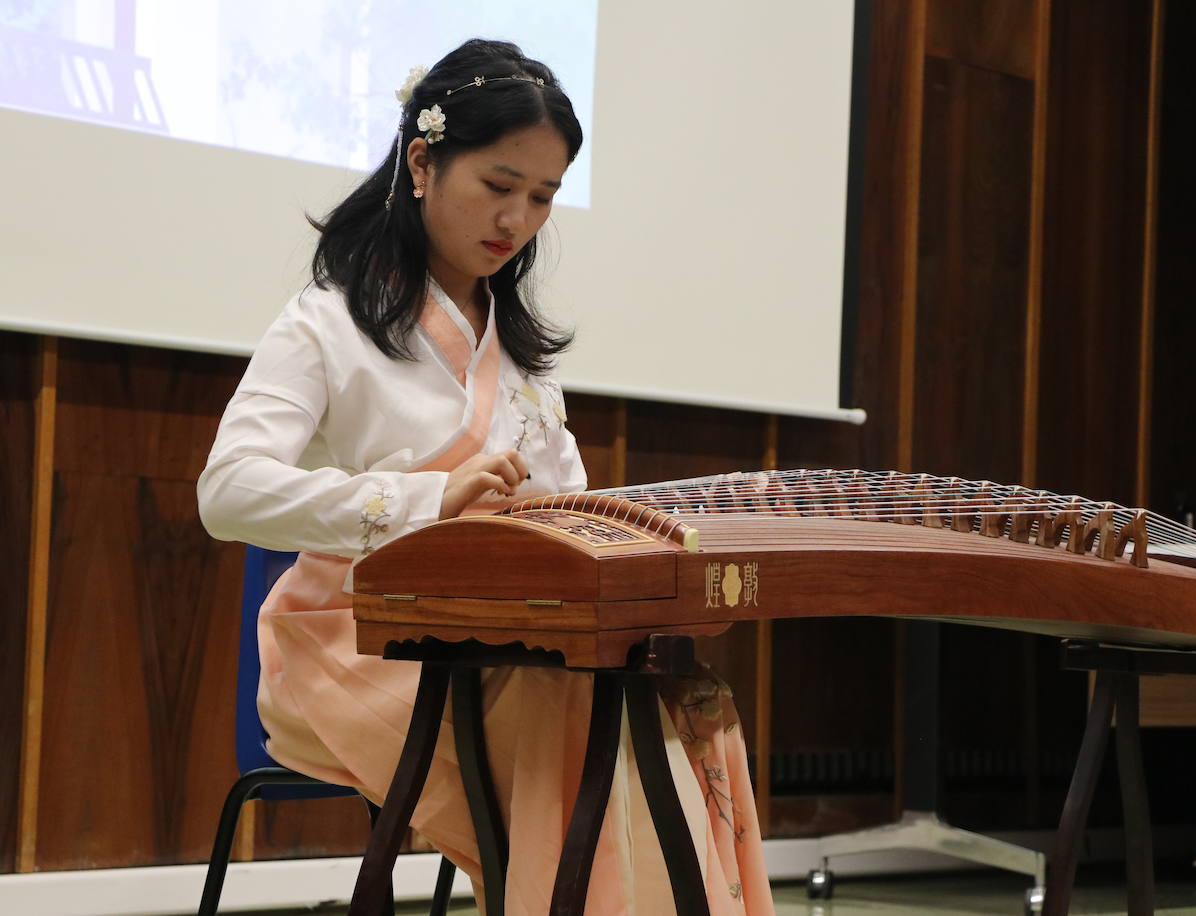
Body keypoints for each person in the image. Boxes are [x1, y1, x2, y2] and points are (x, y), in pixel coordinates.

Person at [198, 39, 772, 915]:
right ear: (423, 163)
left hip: (499, 641)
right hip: (355, 643)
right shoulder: (325, 325)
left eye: (541, 198)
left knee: (681, 696)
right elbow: (227, 492)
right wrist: (429, 501)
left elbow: (570, 512)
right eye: (499, 187)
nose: (517, 221)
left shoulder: (524, 357)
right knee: (573, 710)